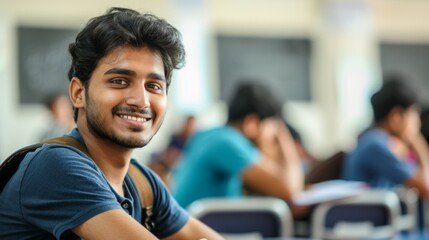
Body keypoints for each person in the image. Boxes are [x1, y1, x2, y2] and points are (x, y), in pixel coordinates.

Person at [0, 7, 223, 240]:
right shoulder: (54, 167)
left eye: (154, 86)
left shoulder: (142, 183)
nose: (141, 101)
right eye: (119, 81)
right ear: (78, 94)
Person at [172, 81, 304, 209]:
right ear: (251, 124)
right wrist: (282, 133)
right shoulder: (228, 142)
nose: (271, 139)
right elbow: (291, 192)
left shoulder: (209, 135)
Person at [341, 76, 429, 198]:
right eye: (414, 114)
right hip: (367, 216)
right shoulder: (375, 145)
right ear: (396, 117)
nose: (418, 123)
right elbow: (426, 188)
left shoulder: (374, 140)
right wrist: (417, 142)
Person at [148, 115, 197, 187]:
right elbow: (167, 151)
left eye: (192, 125)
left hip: (180, 164)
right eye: (188, 124)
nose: (190, 127)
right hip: (169, 160)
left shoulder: (194, 142)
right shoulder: (176, 137)